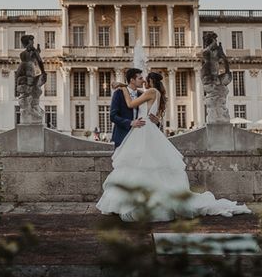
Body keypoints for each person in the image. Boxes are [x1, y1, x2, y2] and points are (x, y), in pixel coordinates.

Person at [97, 71, 251, 221]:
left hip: (143, 130)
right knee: (148, 167)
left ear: (150, 82)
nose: (143, 80)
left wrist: (122, 87)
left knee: (141, 166)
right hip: (146, 130)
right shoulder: (154, 92)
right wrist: (124, 85)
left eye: (144, 79)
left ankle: (136, 203)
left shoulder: (150, 92)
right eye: (140, 78)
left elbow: (131, 104)